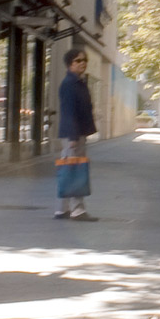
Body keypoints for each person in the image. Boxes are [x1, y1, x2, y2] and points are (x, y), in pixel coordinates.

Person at [54, 45, 97, 220]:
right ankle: (77, 209)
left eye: (84, 60)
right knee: (76, 170)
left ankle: (62, 208)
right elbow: (69, 111)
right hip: (74, 134)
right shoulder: (70, 84)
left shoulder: (78, 82)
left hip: (76, 133)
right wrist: (72, 137)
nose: (83, 63)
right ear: (69, 64)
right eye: (78, 60)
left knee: (68, 169)